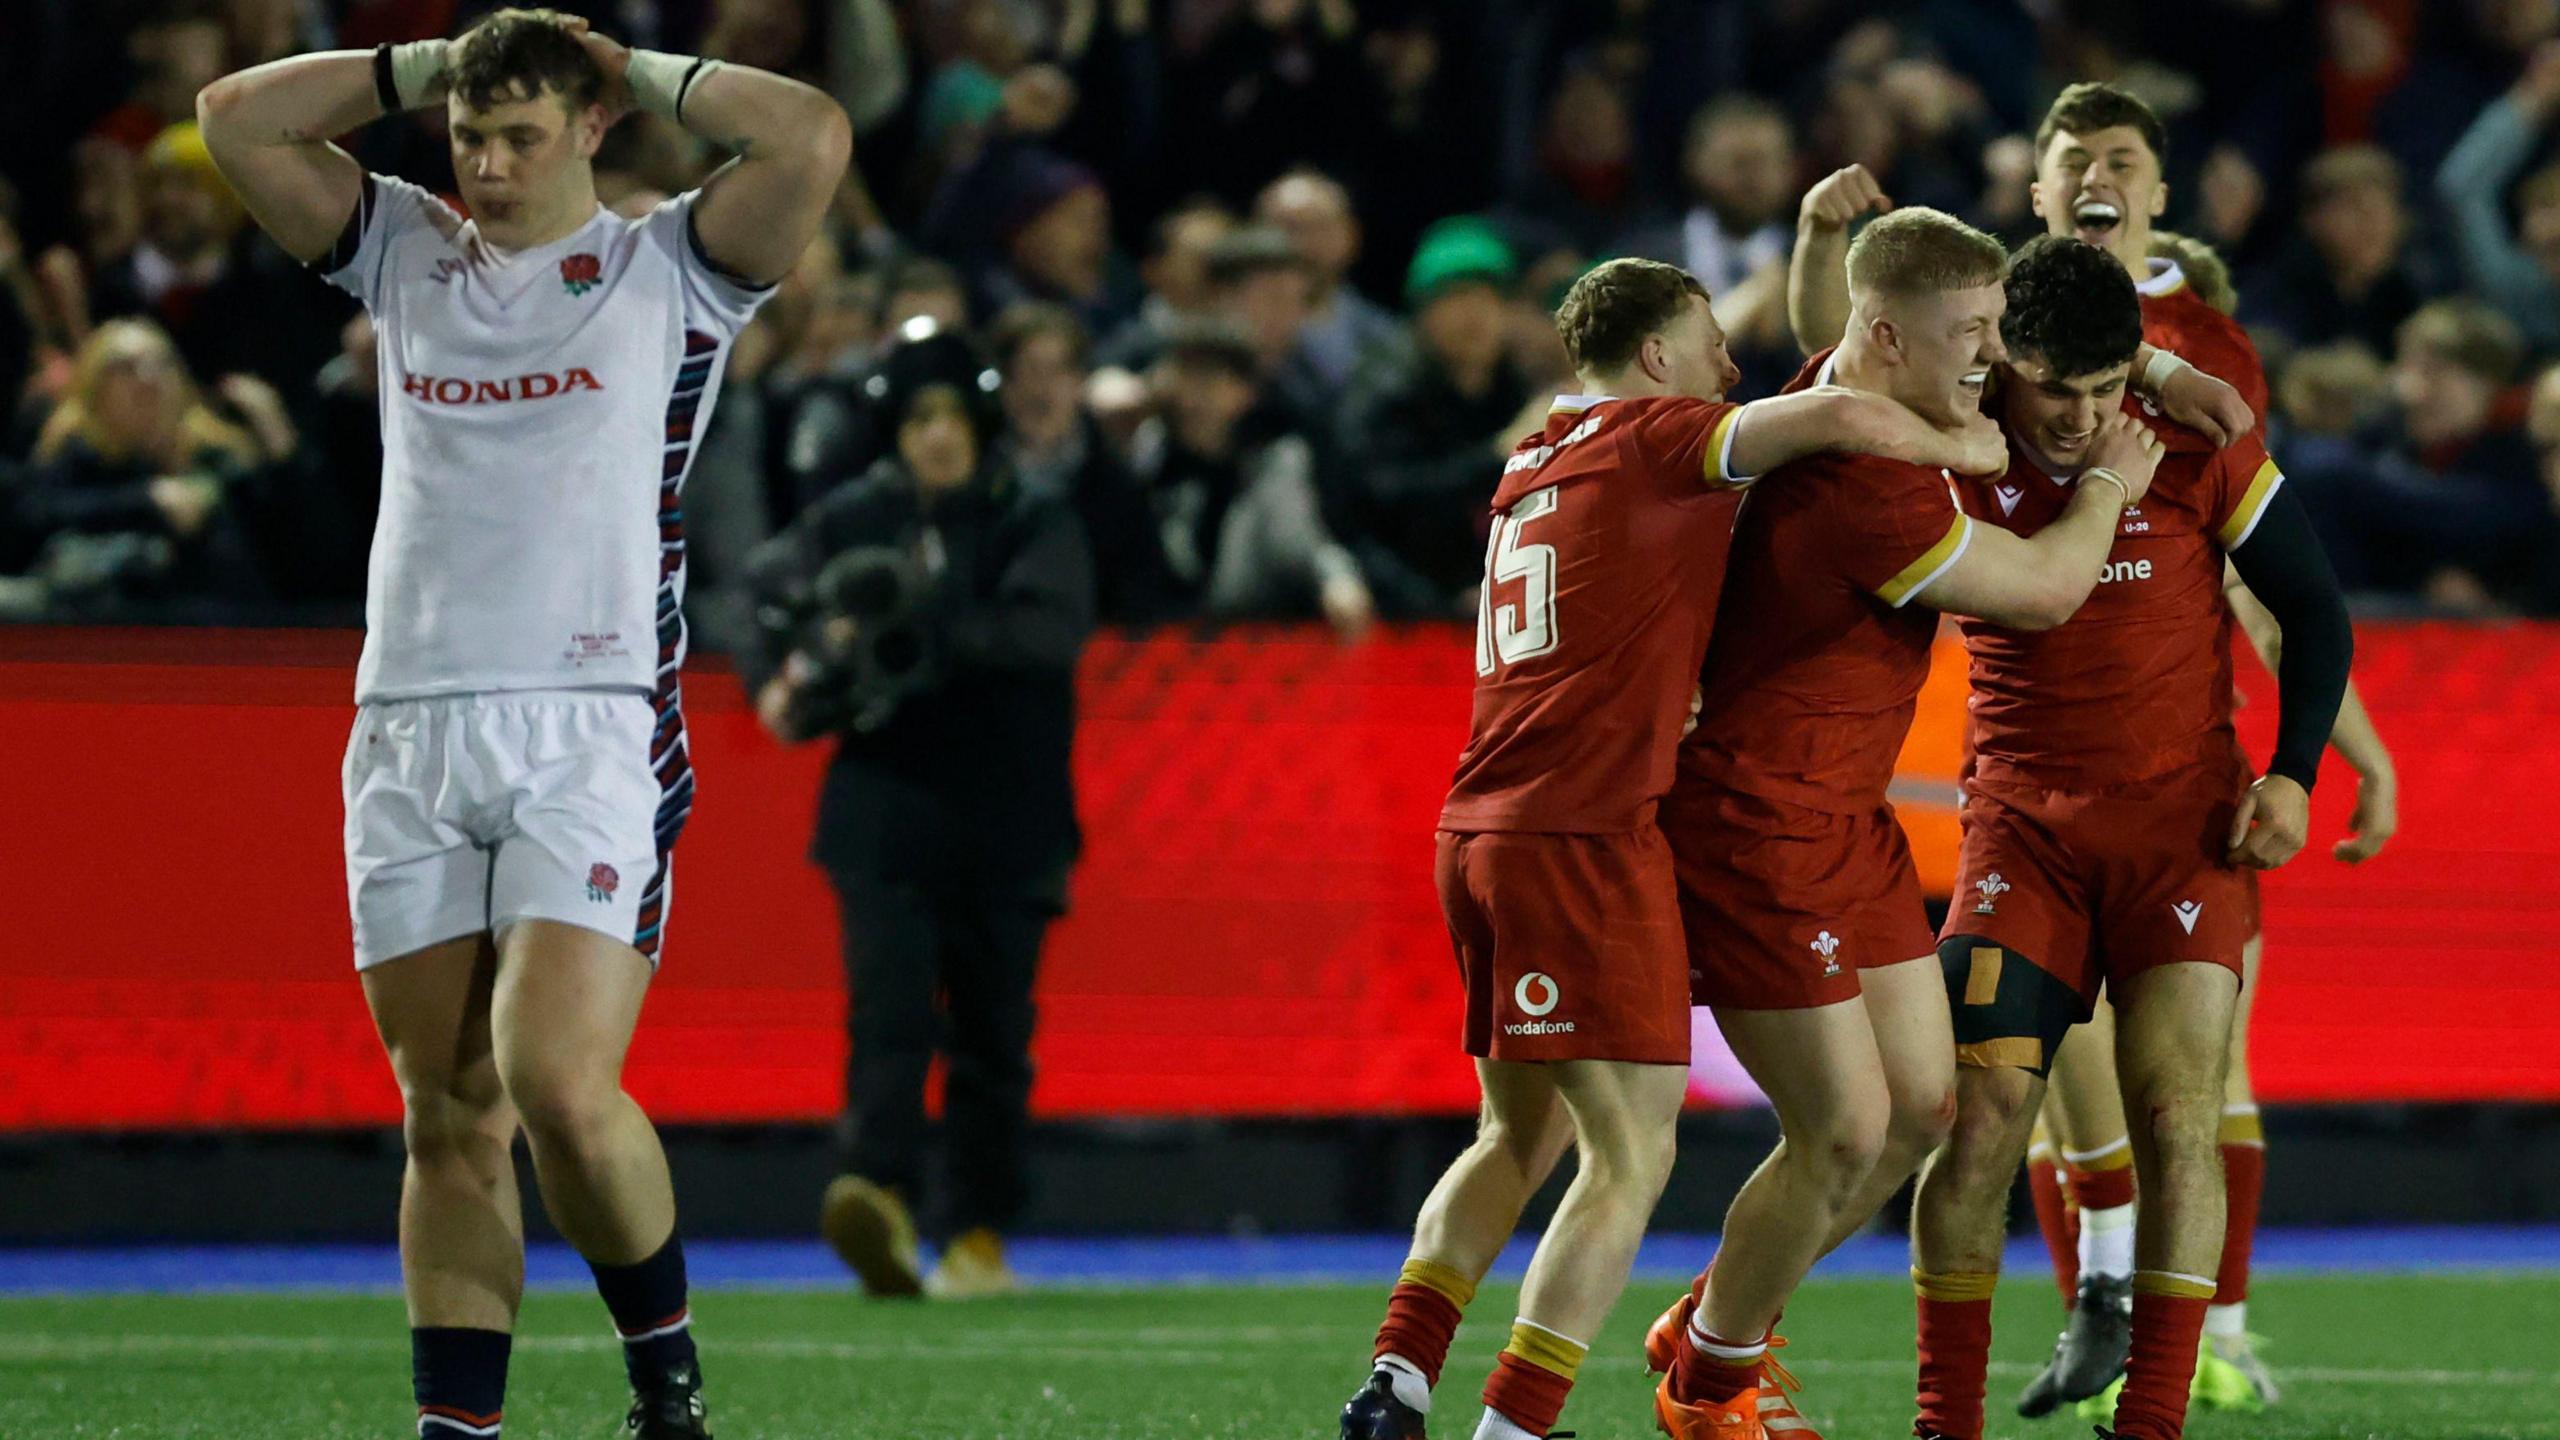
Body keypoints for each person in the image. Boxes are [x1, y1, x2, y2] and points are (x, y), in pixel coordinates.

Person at [196, 10, 847, 1437]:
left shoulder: (669, 265)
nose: (487, 165)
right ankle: (457, 1431)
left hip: (591, 720)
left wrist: (635, 61)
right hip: (411, 721)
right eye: (471, 136)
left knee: (556, 1080)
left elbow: (807, 132)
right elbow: (235, 118)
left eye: (521, 134)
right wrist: (432, 63)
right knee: (447, 1114)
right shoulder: (406, 246)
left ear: (593, 127)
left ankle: (664, 1380)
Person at [1341, 254, 2014, 1440]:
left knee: (1521, 1131)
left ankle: (1398, 1375)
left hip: (1479, 822)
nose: (1728, 368)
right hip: (1580, 834)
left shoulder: (1532, 454)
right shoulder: (1656, 433)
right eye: (1709, 343)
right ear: (1655, 357)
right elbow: (1848, 407)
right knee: (1628, 1155)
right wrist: (1978, 450)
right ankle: (1517, 1426)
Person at [1646, 209, 2175, 1440]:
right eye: (1975, 334)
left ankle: (1713, 1318)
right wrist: (2106, 486)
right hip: (1757, 826)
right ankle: (1712, 1380)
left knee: (1926, 1114)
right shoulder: (1862, 488)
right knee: (1842, 1131)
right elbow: (2043, 594)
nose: (1996, 358)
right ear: (1885, 335)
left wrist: (1830, 239)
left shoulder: (1838, 386)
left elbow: (1869, 326)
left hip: (1848, 822)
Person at [1908, 235, 2355, 1440]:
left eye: (2108, 387)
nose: (2082, 416)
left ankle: (2149, 1419)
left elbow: (2314, 612)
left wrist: (2297, 774)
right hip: (2020, 831)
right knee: (1984, 1118)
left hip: (2180, 834)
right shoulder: (1945, 434)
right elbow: (1853, 329)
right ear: (2001, 356)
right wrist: (2155, 371)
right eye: (2059, 387)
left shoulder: (2196, 447)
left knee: (2177, 1118)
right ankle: (1943, 1421)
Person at [746, 325, 1094, 1303]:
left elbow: (1045, 631)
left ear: (981, 425)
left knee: (991, 1036)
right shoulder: (851, 517)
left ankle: (977, 1232)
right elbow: (762, 601)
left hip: (1007, 816)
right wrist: (794, 663)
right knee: (888, 1022)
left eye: (949, 416)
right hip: (886, 814)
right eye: (916, 418)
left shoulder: (1034, 517)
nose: (935, 436)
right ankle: (882, 1207)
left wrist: (902, 624)